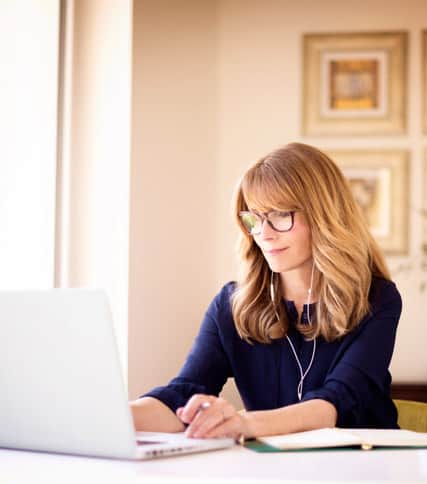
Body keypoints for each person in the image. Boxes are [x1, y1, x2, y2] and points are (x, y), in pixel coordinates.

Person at [130, 142, 402, 444]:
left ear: (324, 215)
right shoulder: (232, 305)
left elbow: (336, 403)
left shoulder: (376, 299)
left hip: (364, 470)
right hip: (274, 476)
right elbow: (182, 395)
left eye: (281, 215)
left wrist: (242, 422)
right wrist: (114, 417)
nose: (264, 233)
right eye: (254, 218)